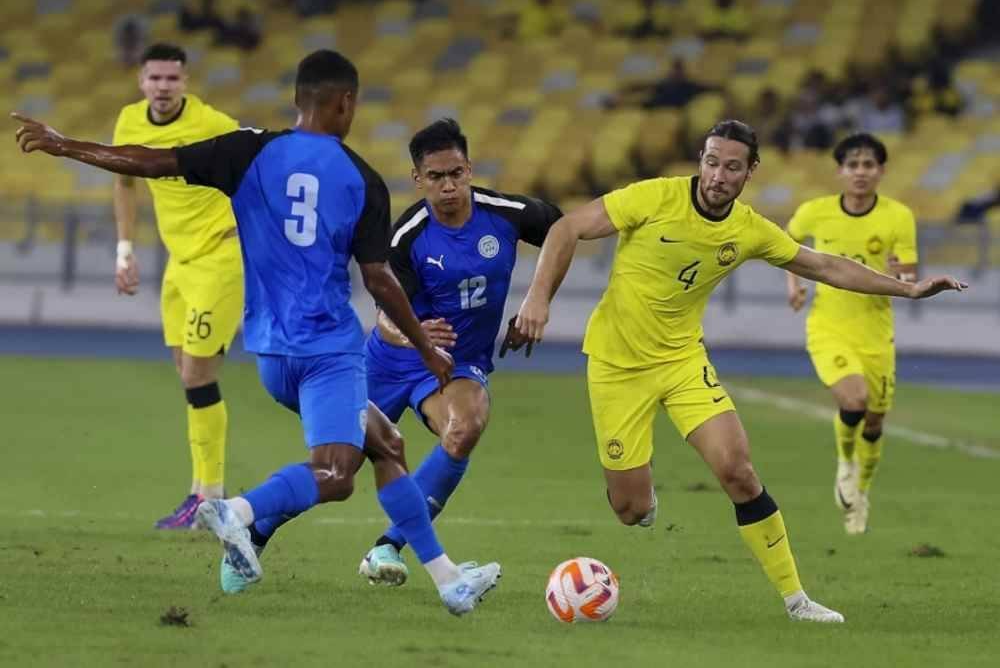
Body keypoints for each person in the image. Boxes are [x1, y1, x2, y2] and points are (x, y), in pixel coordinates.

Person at [13, 49, 501, 616]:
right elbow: (379, 281)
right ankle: (237, 512)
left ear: (298, 100)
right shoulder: (362, 178)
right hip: (328, 351)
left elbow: (149, 161)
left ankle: (448, 581)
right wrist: (426, 348)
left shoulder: (247, 150)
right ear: (346, 103)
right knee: (336, 473)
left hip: (270, 352)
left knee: (385, 444)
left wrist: (66, 144)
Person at [511, 120, 966, 623]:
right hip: (617, 366)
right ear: (700, 160)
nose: (717, 175)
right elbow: (566, 227)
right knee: (630, 510)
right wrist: (537, 298)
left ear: (750, 172)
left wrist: (908, 289)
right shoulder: (653, 197)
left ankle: (797, 600)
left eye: (731, 167)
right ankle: (642, 498)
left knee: (739, 472)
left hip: (684, 362)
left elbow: (825, 266)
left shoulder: (749, 230)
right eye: (711, 161)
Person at [357, 118, 562, 585]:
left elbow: (564, 231)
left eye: (456, 174)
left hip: (456, 365)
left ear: (469, 169)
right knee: (337, 467)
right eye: (436, 177)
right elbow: (385, 319)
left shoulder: (503, 213)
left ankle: (388, 547)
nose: (448, 186)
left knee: (465, 424)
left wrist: (538, 299)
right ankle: (254, 529)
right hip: (391, 361)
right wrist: (418, 338)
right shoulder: (406, 235)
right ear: (418, 179)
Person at [112, 43, 242, 529]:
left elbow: (256, 167)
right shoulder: (128, 122)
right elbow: (123, 182)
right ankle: (206, 493)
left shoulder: (213, 124)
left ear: (186, 82)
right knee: (187, 375)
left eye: (172, 79)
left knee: (196, 375)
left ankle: (208, 500)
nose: (163, 87)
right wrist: (125, 250)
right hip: (178, 262)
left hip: (220, 256)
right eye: (155, 78)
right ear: (141, 81)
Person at [785, 133, 918, 535]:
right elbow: (786, 247)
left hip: (876, 330)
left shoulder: (899, 216)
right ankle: (845, 462)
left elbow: (909, 274)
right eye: (853, 165)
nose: (861, 172)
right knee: (854, 398)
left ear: (881, 171)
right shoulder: (814, 212)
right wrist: (794, 285)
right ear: (840, 171)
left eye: (869, 165)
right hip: (829, 324)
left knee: (875, 422)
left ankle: (861, 494)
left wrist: (901, 274)